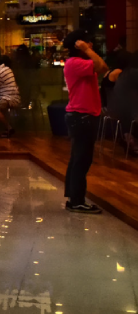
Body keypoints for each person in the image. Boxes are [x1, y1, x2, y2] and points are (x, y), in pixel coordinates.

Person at [62, 30, 108, 214]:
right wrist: (86, 49)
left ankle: (74, 198)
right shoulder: (75, 63)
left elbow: (99, 66)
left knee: (77, 159)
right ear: (79, 45)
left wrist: (86, 50)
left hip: (82, 115)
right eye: (88, 43)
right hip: (82, 116)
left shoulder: (77, 63)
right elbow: (102, 66)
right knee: (82, 160)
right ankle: (77, 201)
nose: (91, 46)